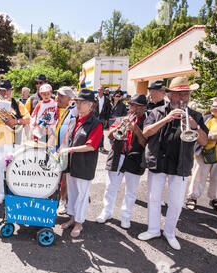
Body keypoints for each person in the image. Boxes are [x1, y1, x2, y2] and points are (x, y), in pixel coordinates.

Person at [139, 76, 209, 250]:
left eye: (187, 94)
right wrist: (166, 119)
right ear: (169, 95)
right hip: (158, 161)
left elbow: (204, 141)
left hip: (181, 163)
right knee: (154, 198)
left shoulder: (196, 116)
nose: (184, 98)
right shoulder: (156, 112)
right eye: (180, 94)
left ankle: (170, 233)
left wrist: (195, 126)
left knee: (176, 202)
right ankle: (153, 229)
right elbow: (146, 133)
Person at [96, 94, 148, 229]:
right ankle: (106, 212)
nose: (133, 109)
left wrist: (136, 129)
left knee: (131, 191)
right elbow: (109, 135)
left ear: (144, 108)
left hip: (135, 158)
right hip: (118, 155)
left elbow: (145, 144)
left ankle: (126, 216)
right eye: (132, 105)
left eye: (137, 106)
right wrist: (121, 125)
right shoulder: (123, 118)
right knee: (110, 187)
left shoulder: (148, 121)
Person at [58, 89, 103, 238]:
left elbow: (91, 146)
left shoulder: (96, 123)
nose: (78, 105)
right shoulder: (73, 120)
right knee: (72, 193)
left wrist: (70, 149)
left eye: (82, 102)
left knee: (82, 195)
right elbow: (66, 140)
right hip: (71, 164)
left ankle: (79, 223)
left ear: (91, 106)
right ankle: (72, 218)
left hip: (84, 165)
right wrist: (61, 148)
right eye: (77, 102)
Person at [0, 79, 30, 204]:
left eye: (8, 91)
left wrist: (16, 121)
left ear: (11, 91)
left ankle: (14, 194)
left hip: (13, 142)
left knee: (14, 170)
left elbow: (28, 119)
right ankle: (1, 194)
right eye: (3, 91)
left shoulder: (17, 103)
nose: (5, 93)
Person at [54, 86, 76, 215]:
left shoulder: (74, 110)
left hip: (65, 149)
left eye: (61, 96)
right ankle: (53, 200)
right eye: (57, 95)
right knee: (53, 175)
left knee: (64, 176)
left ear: (69, 98)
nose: (58, 98)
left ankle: (63, 201)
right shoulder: (53, 108)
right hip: (53, 148)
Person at [96, 86, 112, 154]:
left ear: (103, 91)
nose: (99, 92)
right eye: (98, 91)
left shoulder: (107, 99)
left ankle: (101, 146)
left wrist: (106, 119)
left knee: (101, 133)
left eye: (100, 90)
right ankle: (94, 145)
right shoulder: (94, 98)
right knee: (93, 132)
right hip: (95, 117)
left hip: (102, 118)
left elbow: (108, 110)